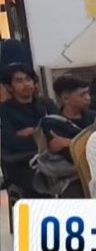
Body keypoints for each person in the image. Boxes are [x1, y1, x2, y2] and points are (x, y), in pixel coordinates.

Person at [0, 65, 57, 196]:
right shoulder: (4, 110)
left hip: (52, 156)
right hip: (22, 162)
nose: (25, 84)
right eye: (19, 81)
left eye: (28, 79)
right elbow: (10, 142)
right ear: (9, 86)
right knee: (38, 184)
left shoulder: (46, 104)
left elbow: (58, 130)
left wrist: (32, 133)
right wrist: (41, 137)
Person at [47, 75, 96, 158]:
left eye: (88, 93)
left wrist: (69, 142)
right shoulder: (53, 123)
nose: (88, 98)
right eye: (82, 95)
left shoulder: (95, 117)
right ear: (66, 99)